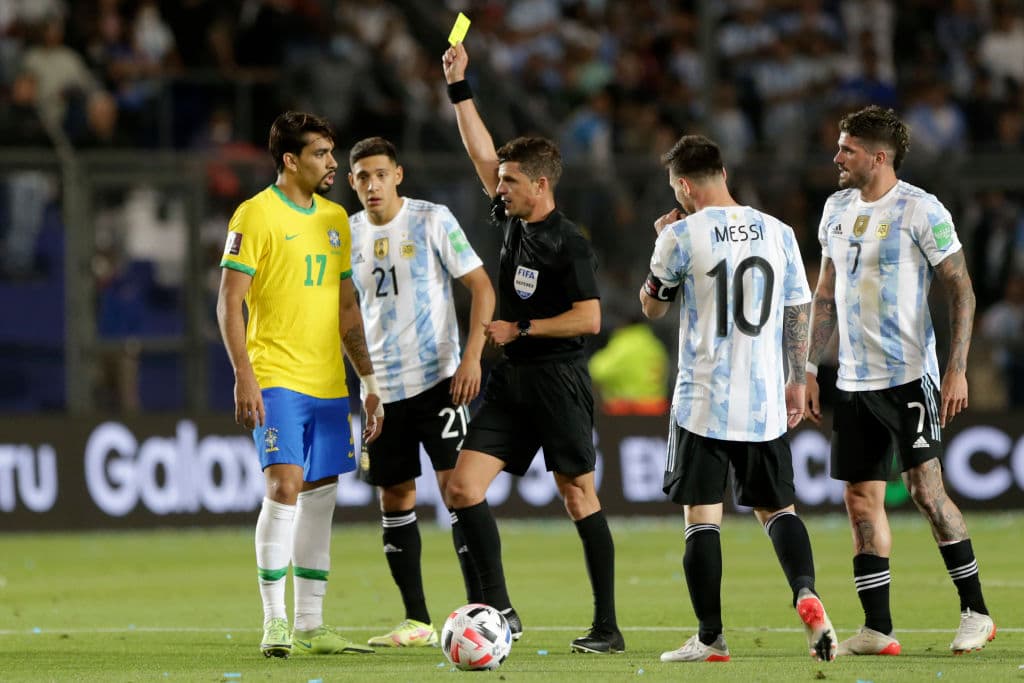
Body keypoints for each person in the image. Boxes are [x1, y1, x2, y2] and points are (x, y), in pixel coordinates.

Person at [440, 41, 624, 654]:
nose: (500, 188)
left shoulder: (569, 242)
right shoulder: (513, 217)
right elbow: (481, 152)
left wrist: (519, 330)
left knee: (578, 496)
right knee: (462, 488)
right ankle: (498, 609)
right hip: (512, 383)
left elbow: (591, 318)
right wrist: (459, 87)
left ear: (541, 185)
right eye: (501, 181)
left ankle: (607, 626)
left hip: (558, 380)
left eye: (511, 182)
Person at [805, 105, 995, 656]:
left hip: (910, 376)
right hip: (854, 381)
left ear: (878, 156)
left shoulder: (920, 209)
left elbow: (960, 287)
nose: (837, 157)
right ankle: (877, 628)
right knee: (860, 500)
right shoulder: (835, 209)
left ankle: (976, 613)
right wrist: (811, 368)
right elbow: (824, 294)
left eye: (847, 149)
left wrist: (955, 367)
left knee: (926, 493)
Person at [640, 134, 837, 664]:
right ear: (722, 174)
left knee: (702, 517)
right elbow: (799, 310)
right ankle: (805, 591)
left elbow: (653, 307)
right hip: (765, 398)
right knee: (778, 510)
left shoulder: (679, 235)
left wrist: (663, 241)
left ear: (683, 185)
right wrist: (797, 379)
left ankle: (709, 638)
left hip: (702, 399)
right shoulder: (778, 232)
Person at [216, 111, 382, 659]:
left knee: (321, 497)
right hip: (277, 377)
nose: (333, 164)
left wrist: (368, 379)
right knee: (284, 485)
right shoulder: (255, 214)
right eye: (321, 154)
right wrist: (244, 373)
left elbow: (346, 307)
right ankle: (275, 622)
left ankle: (312, 623)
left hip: (329, 383)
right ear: (290, 160)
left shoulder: (336, 218)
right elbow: (229, 301)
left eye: (332, 154)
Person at [346, 136, 496, 647]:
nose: (372, 185)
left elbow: (482, 287)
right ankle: (416, 619)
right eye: (362, 176)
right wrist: (365, 386)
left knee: (460, 491)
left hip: (440, 383)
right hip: (382, 393)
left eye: (380, 174)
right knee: (395, 495)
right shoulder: (345, 237)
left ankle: (487, 609)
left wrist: (472, 358)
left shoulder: (433, 219)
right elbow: (348, 318)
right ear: (352, 182)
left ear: (399, 175)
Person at [588, 316, 670, 416]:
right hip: (657, 408)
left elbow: (596, 371)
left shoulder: (625, 343)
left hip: (630, 411)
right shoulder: (655, 344)